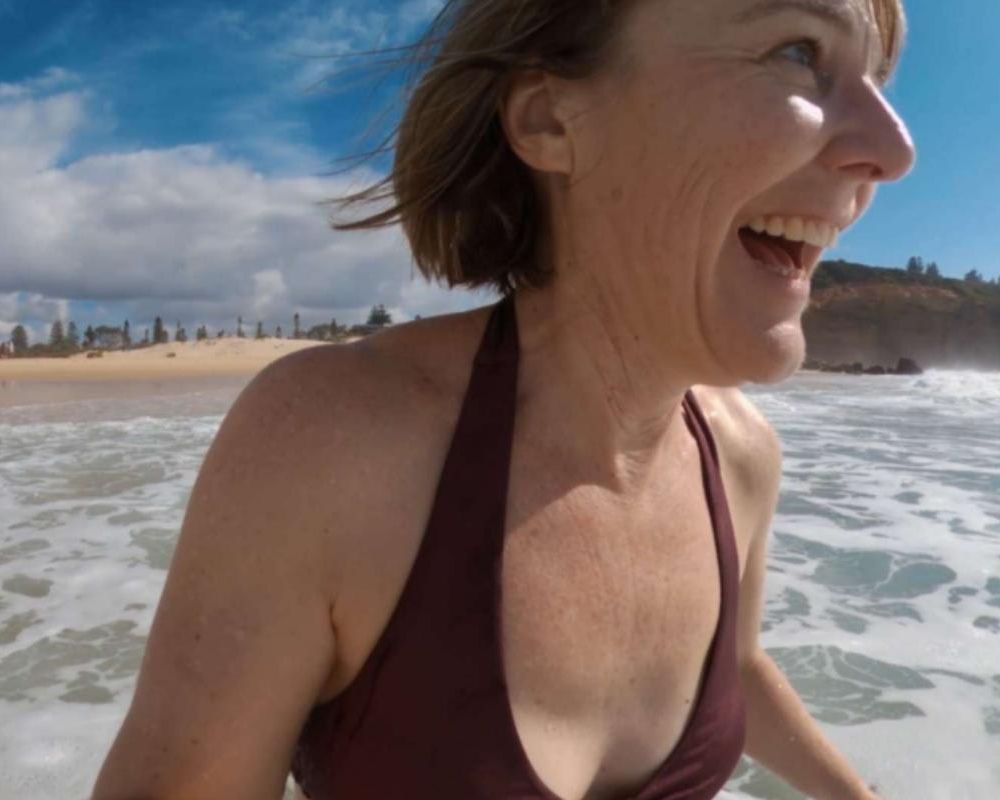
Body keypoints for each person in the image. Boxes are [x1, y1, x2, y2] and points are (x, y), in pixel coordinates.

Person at [92, 0, 914, 797]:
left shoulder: (742, 457)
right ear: (551, 120)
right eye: (799, 52)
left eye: (880, 83)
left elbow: (732, 665)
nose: (894, 149)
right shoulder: (334, 446)